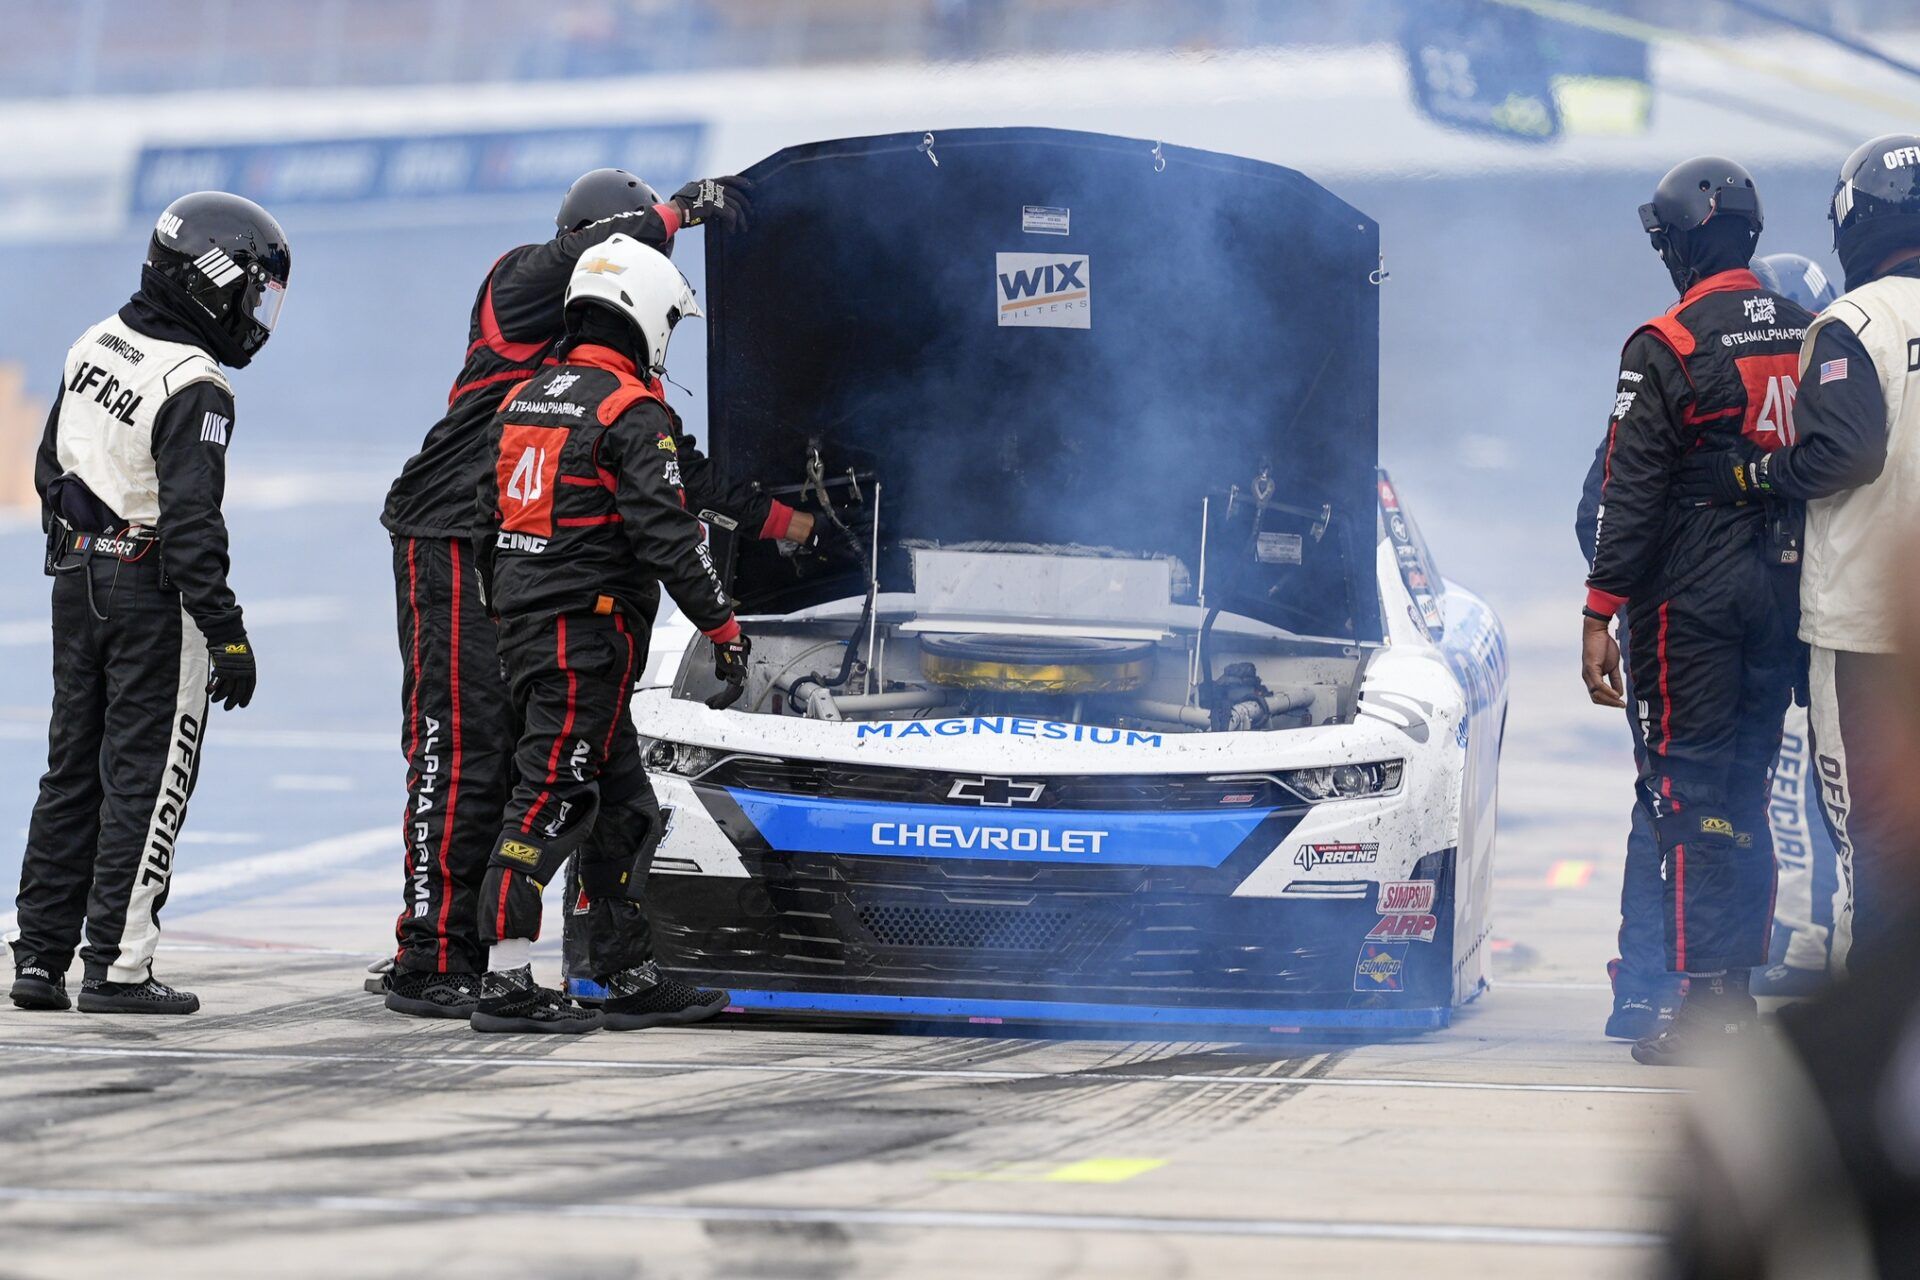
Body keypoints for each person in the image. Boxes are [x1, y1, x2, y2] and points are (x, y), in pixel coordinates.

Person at [379, 168, 815, 1018]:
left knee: (591, 783)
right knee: (466, 745)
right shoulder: (520, 279)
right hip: (455, 541)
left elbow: (672, 478)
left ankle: (600, 964)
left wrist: (783, 526)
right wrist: (679, 210)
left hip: (521, 559)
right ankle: (434, 956)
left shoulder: (603, 384)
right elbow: (591, 257)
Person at [9, 192, 289, 1015]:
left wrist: (94, 540)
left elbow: (47, 471)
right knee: (147, 779)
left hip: (76, 583)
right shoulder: (194, 383)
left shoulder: (93, 340)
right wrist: (228, 635)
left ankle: (38, 959)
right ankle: (119, 969)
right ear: (212, 278)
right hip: (154, 599)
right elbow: (194, 529)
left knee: (69, 772)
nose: (255, 311)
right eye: (251, 290)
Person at [469, 233, 746, 1033]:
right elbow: (669, 538)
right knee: (549, 798)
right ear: (646, 315)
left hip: (533, 635)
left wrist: (516, 614)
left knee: (628, 811)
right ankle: (507, 982)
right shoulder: (631, 411)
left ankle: (623, 972)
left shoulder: (523, 398)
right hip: (581, 641)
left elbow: (486, 525)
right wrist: (723, 628)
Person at [1579, 156, 1815, 1066]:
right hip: (1785, 592)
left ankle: (1703, 1007)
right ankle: (1735, 994)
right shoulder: (1810, 329)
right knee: (1746, 794)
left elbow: (1627, 496)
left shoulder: (1666, 343)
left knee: (1686, 795)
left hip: (1694, 602)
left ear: (1681, 239)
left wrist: (1600, 612)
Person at [1675, 133, 1920, 979]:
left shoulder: (1853, 323)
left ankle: (1866, 1064)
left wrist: (1756, 471)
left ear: (1857, 221)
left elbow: (1846, 455)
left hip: (1866, 631)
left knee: (1871, 847)